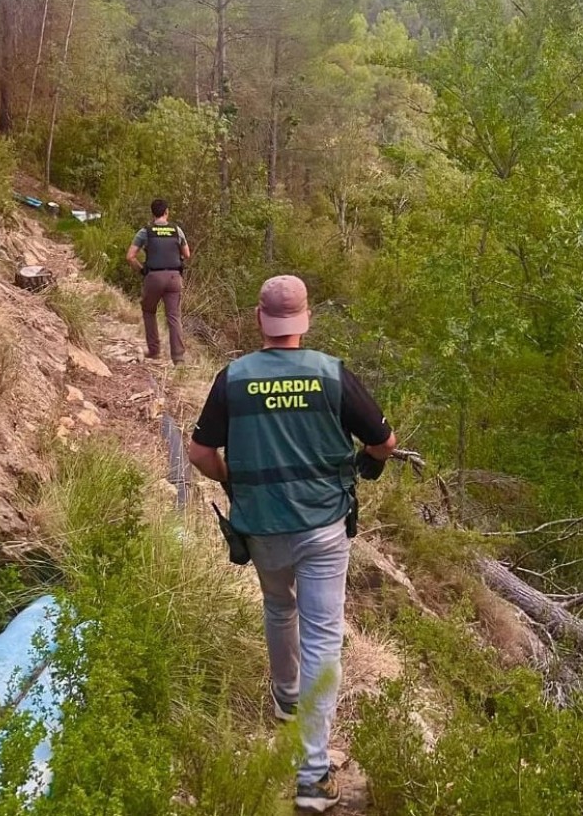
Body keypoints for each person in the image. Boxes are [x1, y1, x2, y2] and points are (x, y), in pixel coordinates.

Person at [188, 275, 396, 813]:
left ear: (261, 319)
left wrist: (231, 479)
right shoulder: (331, 375)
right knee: (323, 635)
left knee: (279, 606)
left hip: (260, 526)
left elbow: (198, 452)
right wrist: (367, 467)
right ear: (305, 321)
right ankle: (312, 774)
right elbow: (383, 442)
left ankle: (285, 700)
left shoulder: (232, 379)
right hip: (323, 527)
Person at [126, 199, 191, 363]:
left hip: (153, 276)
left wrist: (142, 270)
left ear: (152, 213)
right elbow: (187, 254)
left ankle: (154, 350)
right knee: (174, 316)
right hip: (174, 277)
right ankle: (178, 357)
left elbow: (130, 256)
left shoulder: (145, 232)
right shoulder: (177, 230)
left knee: (149, 310)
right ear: (167, 212)